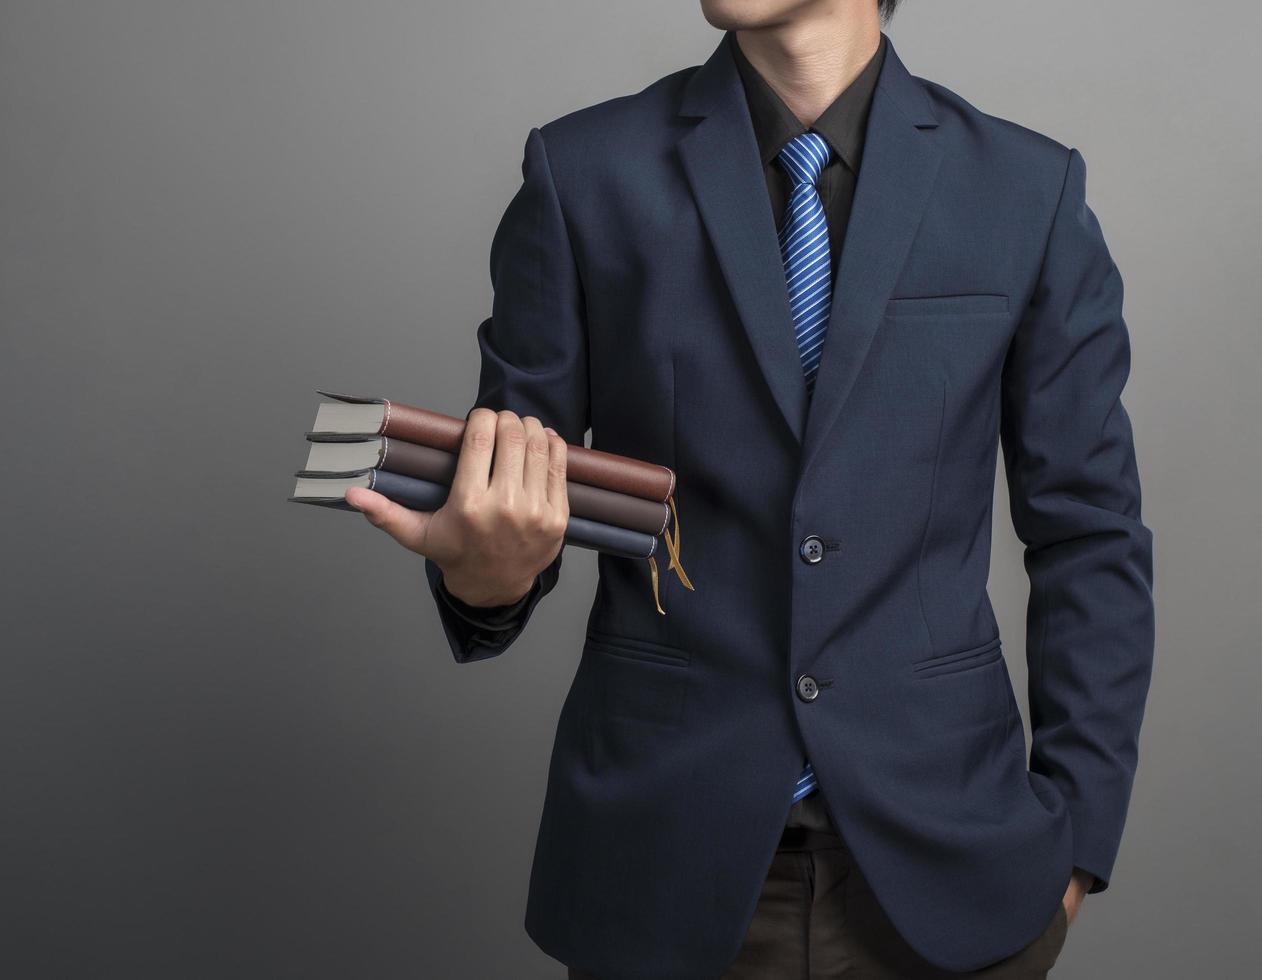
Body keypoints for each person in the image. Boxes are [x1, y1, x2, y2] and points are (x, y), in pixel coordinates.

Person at [346, 0, 1155, 975]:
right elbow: (512, 501)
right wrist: (487, 579)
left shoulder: (1027, 190)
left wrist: (1076, 842)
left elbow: (1090, 536)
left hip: (954, 871)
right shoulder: (583, 175)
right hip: (660, 872)